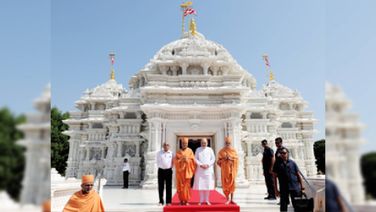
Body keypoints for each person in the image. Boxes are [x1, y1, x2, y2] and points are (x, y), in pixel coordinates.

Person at [173, 137, 196, 205]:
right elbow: (175, 161)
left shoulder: (190, 151)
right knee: (180, 187)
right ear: (181, 144)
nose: (184, 144)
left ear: (187, 144)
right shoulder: (178, 152)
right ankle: (181, 200)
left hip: (187, 172)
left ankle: (186, 200)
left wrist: (187, 160)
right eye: (183, 143)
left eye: (186, 143)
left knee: (187, 187)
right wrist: (181, 160)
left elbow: (193, 161)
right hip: (180, 173)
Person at [193, 138, 215, 205]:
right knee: (201, 186)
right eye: (202, 143)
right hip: (200, 170)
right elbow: (195, 158)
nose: (204, 144)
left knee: (207, 186)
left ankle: (207, 200)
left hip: (208, 170)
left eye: (205, 143)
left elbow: (213, 158)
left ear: (207, 143)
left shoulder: (210, 149)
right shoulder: (198, 149)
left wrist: (208, 165)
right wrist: (201, 165)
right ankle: (201, 200)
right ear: (201, 143)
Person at [217, 136, 238, 205]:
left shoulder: (233, 151)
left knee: (232, 184)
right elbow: (218, 162)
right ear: (224, 143)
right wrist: (224, 159)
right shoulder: (221, 151)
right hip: (225, 171)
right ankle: (227, 199)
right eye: (226, 143)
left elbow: (236, 160)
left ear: (230, 143)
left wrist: (231, 159)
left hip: (232, 171)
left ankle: (232, 199)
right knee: (225, 185)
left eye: (229, 143)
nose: (227, 144)